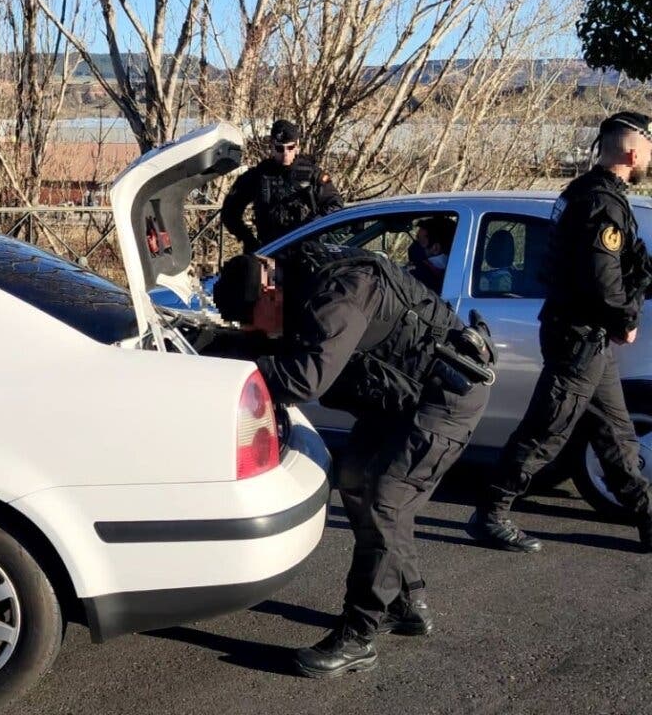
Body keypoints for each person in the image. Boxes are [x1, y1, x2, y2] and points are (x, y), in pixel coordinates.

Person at [209, 242, 494, 678]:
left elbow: (302, 380)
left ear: (269, 293)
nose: (254, 332)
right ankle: (407, 603)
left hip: (446, 399)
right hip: (402, 400)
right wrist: (213, 343)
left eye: (250, 321)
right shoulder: (301, 278)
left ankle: (359, 636)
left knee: (385, 501)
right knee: (355, 478)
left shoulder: (340, 292)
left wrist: (232, 364)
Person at [466, 112, 652, 554]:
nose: (650, 156)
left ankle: (647, 518)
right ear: (631, 150)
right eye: (648, 148)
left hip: (587, 341)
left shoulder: (590, 195)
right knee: (545, 431)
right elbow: (601, 280)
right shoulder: (599, 203)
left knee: (615, 433)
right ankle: (490, 512)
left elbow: (630, 263)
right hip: (579, 339)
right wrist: (626, 319)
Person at [221, 119, 344, 253]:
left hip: (306, 250)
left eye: (290, 147)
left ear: (297, 145)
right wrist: (248, 239)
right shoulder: (257, 175)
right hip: (270, 248)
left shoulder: (312, 174)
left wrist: (312, 226)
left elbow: (335, 204)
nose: (285, 153)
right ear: (272, 147)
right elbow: (229, 212)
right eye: (280, 148)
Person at [408, 216, 456, 294]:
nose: (414, 245)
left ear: (435, 248)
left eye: (419, 240)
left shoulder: (417, 276)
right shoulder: (463, 272)